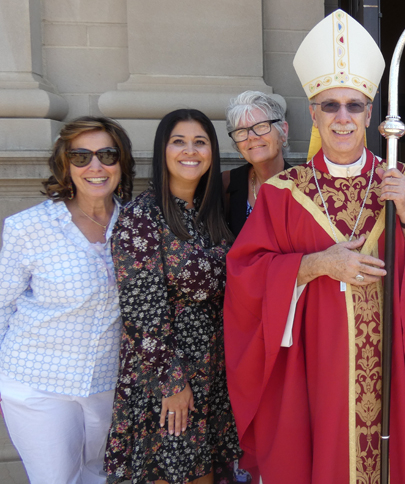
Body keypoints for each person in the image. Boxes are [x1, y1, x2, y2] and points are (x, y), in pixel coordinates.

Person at [224, 10, 405, 484]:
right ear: (312, 112)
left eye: (354, 106)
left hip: (391, 363)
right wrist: (317, 265)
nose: (342, 117)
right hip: (313, 371)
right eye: (329, 105)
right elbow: (246, 277)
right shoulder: (283, 192)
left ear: (371, 114)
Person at [0, 116, 135, 483]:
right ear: (65, 166)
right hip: (38, 380)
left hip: (108, 383)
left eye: (107, 155)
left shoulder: (136, 225)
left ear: (121, 163)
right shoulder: (29, 227)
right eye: (81, 157)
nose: (95, 166)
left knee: (99, 477)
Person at [104, 109, 241, 484]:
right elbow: (141, 311)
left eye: (200, 142)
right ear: (162, 150)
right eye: (178, 141)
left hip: (211, 374)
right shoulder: (142, 217)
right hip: (166, 380)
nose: (190, 151)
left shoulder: (211, 217)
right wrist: (172, 383)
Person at [223, 90, 292, 237]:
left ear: (283, 131)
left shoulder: (306, 187)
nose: (252, 137)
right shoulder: (225, 185)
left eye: (261, 126)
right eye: (241, 131)